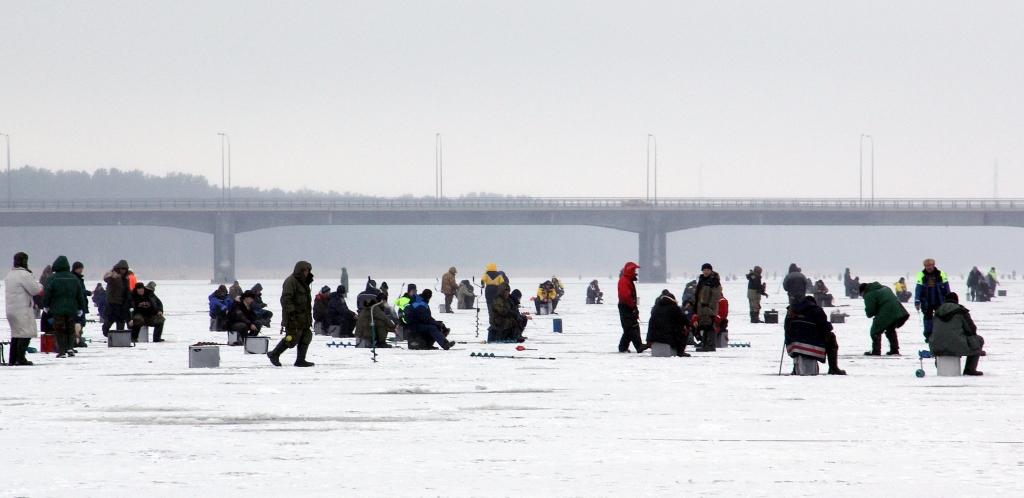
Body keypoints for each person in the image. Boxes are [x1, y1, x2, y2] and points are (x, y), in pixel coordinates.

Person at [267, 261, 315, 367]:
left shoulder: (304, 282)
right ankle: (274, 354)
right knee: (292, 338)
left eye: (308, 270)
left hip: (304, 317)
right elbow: (286, 299)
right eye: (305, 270)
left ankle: (300, 360)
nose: (307, 272)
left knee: (306, 336)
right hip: (293, 317)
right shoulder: (291, 281)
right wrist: (291, 312)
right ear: (300, 271)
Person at [784, 296, 846, 375]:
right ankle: (833, 368)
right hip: (809, 343)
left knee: (799, 334)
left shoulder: (791, 310)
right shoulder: (816, 309)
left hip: (792, 346)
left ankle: (796, 367)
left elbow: (786, 328)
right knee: (831, 337)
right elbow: (826, 328)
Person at [928, 293, 984, 375]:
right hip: (957, 345)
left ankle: (939, 364)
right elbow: (972, 330)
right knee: (978, 340)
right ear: (957, 301)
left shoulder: (937, 312)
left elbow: (933, 330)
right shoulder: (961, 311)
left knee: (941, 340)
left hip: (936, 346)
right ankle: (969, 369)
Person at [42, 256, 88, 358]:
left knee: (59, 329)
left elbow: (47, 293)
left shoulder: (52, 278)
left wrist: (46, 305)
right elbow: (79, 294)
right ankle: (70, 348)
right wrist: (81, 307)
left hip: (57, 308)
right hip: (72, 308)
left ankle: (62, 350)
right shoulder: (74, 278)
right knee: (70, 328)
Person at [5, 252, 44, 366]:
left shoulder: (9, 275)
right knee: (26, 333)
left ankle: (12, 359)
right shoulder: (24, 275)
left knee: (16, 334)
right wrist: (41, 286)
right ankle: (20, 358)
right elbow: (35, 290)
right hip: (22, 309)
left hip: (11, 309)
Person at [861, 281, 910, 356]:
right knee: (890, 329)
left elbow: (870, 311)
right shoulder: (885, 288)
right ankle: (894, 350)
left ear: (863, 291)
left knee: (875, 331)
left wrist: (868, 312)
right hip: (898, 310)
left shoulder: (869, 294)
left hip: (887, 312)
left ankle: (876, 351)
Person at [645, 290, 689, 357]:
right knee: (683, 330)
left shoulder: (656, 308)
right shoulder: (674, 308)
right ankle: (680, 352)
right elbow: (685, 321)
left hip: (653, 338)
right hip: (669, 339)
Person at [914, 258, 950, 339]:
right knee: (927, 318)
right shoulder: (921, 275)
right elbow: (918, 289)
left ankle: (941, 334)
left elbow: (947, 288)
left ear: (934, 265)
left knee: (941, 317)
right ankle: (928, 336)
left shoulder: (941, 274)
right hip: (926, 301)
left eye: (930, 265)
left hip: (939, 300)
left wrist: (949, 299)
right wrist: (917, 301)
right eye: (927, 266)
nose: (929, 267)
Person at [617, 261, 647, 353]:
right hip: (626, 307)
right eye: (634, 271)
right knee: (631, 327)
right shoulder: (624, 281)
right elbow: (625, 296)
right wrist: (632, 306)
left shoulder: (626, 280)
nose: (635, 273)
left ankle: (623, 347)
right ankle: (638, 346)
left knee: (629, 328)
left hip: (628, 306)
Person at [694, 263, 724, 352]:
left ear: (711, 271)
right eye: (704, 270)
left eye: (707, 270)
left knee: (709, 326)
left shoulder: (714, 281)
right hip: (701, 308)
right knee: (703, 326)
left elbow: (716, 295)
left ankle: (710, 345)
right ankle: (705, 344)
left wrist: (709, 306)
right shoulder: (702, 280)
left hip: (709, 308)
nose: (706, 272)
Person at [102, 259, 131, 335]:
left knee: (121, 320)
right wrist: (112, 276)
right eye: (122, 268)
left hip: (122, 302)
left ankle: (119, 336)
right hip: (113, 302)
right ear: (118, 268)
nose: (123, 270)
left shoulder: (126, 278)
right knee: (110, 319)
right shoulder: (113, 275)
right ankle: (105, 331)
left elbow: (127, 289)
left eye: (125, 269)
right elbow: (105, 278)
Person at [71, 261, 92, 349]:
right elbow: (78, 290)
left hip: (81, 303)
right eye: (80, 268)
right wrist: (87, 292)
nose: (81, 270)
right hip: (78, 304)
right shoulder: (75, 278)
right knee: (78, 323)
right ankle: (76, 341)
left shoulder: (78, 278)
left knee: (80, 323)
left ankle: (77, 340)